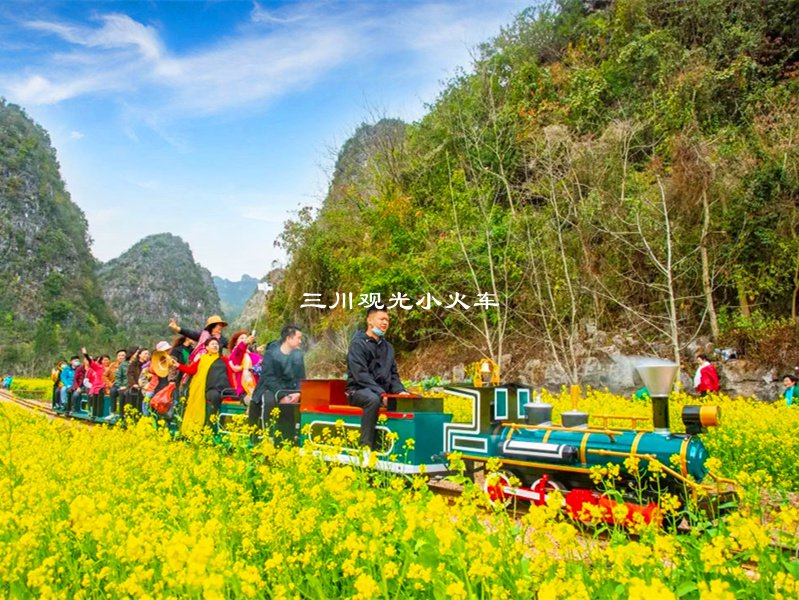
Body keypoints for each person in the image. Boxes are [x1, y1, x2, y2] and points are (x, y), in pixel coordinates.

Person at [346, 306, 409, 450]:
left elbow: (393, 375)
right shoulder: (358, 344)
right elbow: (360, 375)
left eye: (387, 320)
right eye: (381, 319)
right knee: (372, 400)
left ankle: (398, 448)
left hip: (382, 392)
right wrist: (381, 394)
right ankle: (366, 447)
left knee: (410, 399)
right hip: (358, 390)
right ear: (370, 321)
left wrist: (400, 391)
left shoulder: (388, 347)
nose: (385, 323)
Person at [172, 337, 235, 436]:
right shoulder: (202, 359)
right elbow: (191, 370)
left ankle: (224, 429)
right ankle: (208, 428)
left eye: (216, 344)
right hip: (208, 389)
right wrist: (178, 365)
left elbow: (231, 374)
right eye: (212, 344)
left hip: (225, 389)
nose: (215, 346)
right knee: (214, 396)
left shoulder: (224, 360)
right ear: (206, 347)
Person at [108, 349, 128, 419]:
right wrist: (110, 384)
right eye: (119, 355)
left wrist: (124, 386)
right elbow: (104, 375)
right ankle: (112, 412)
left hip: (126, 385)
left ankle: (122, 413)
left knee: (121, 392)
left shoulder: (128, 364)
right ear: (116, 357)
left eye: (123, 355)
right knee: (113, 391)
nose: (121, 357)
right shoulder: (113, 365)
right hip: (117, 384)